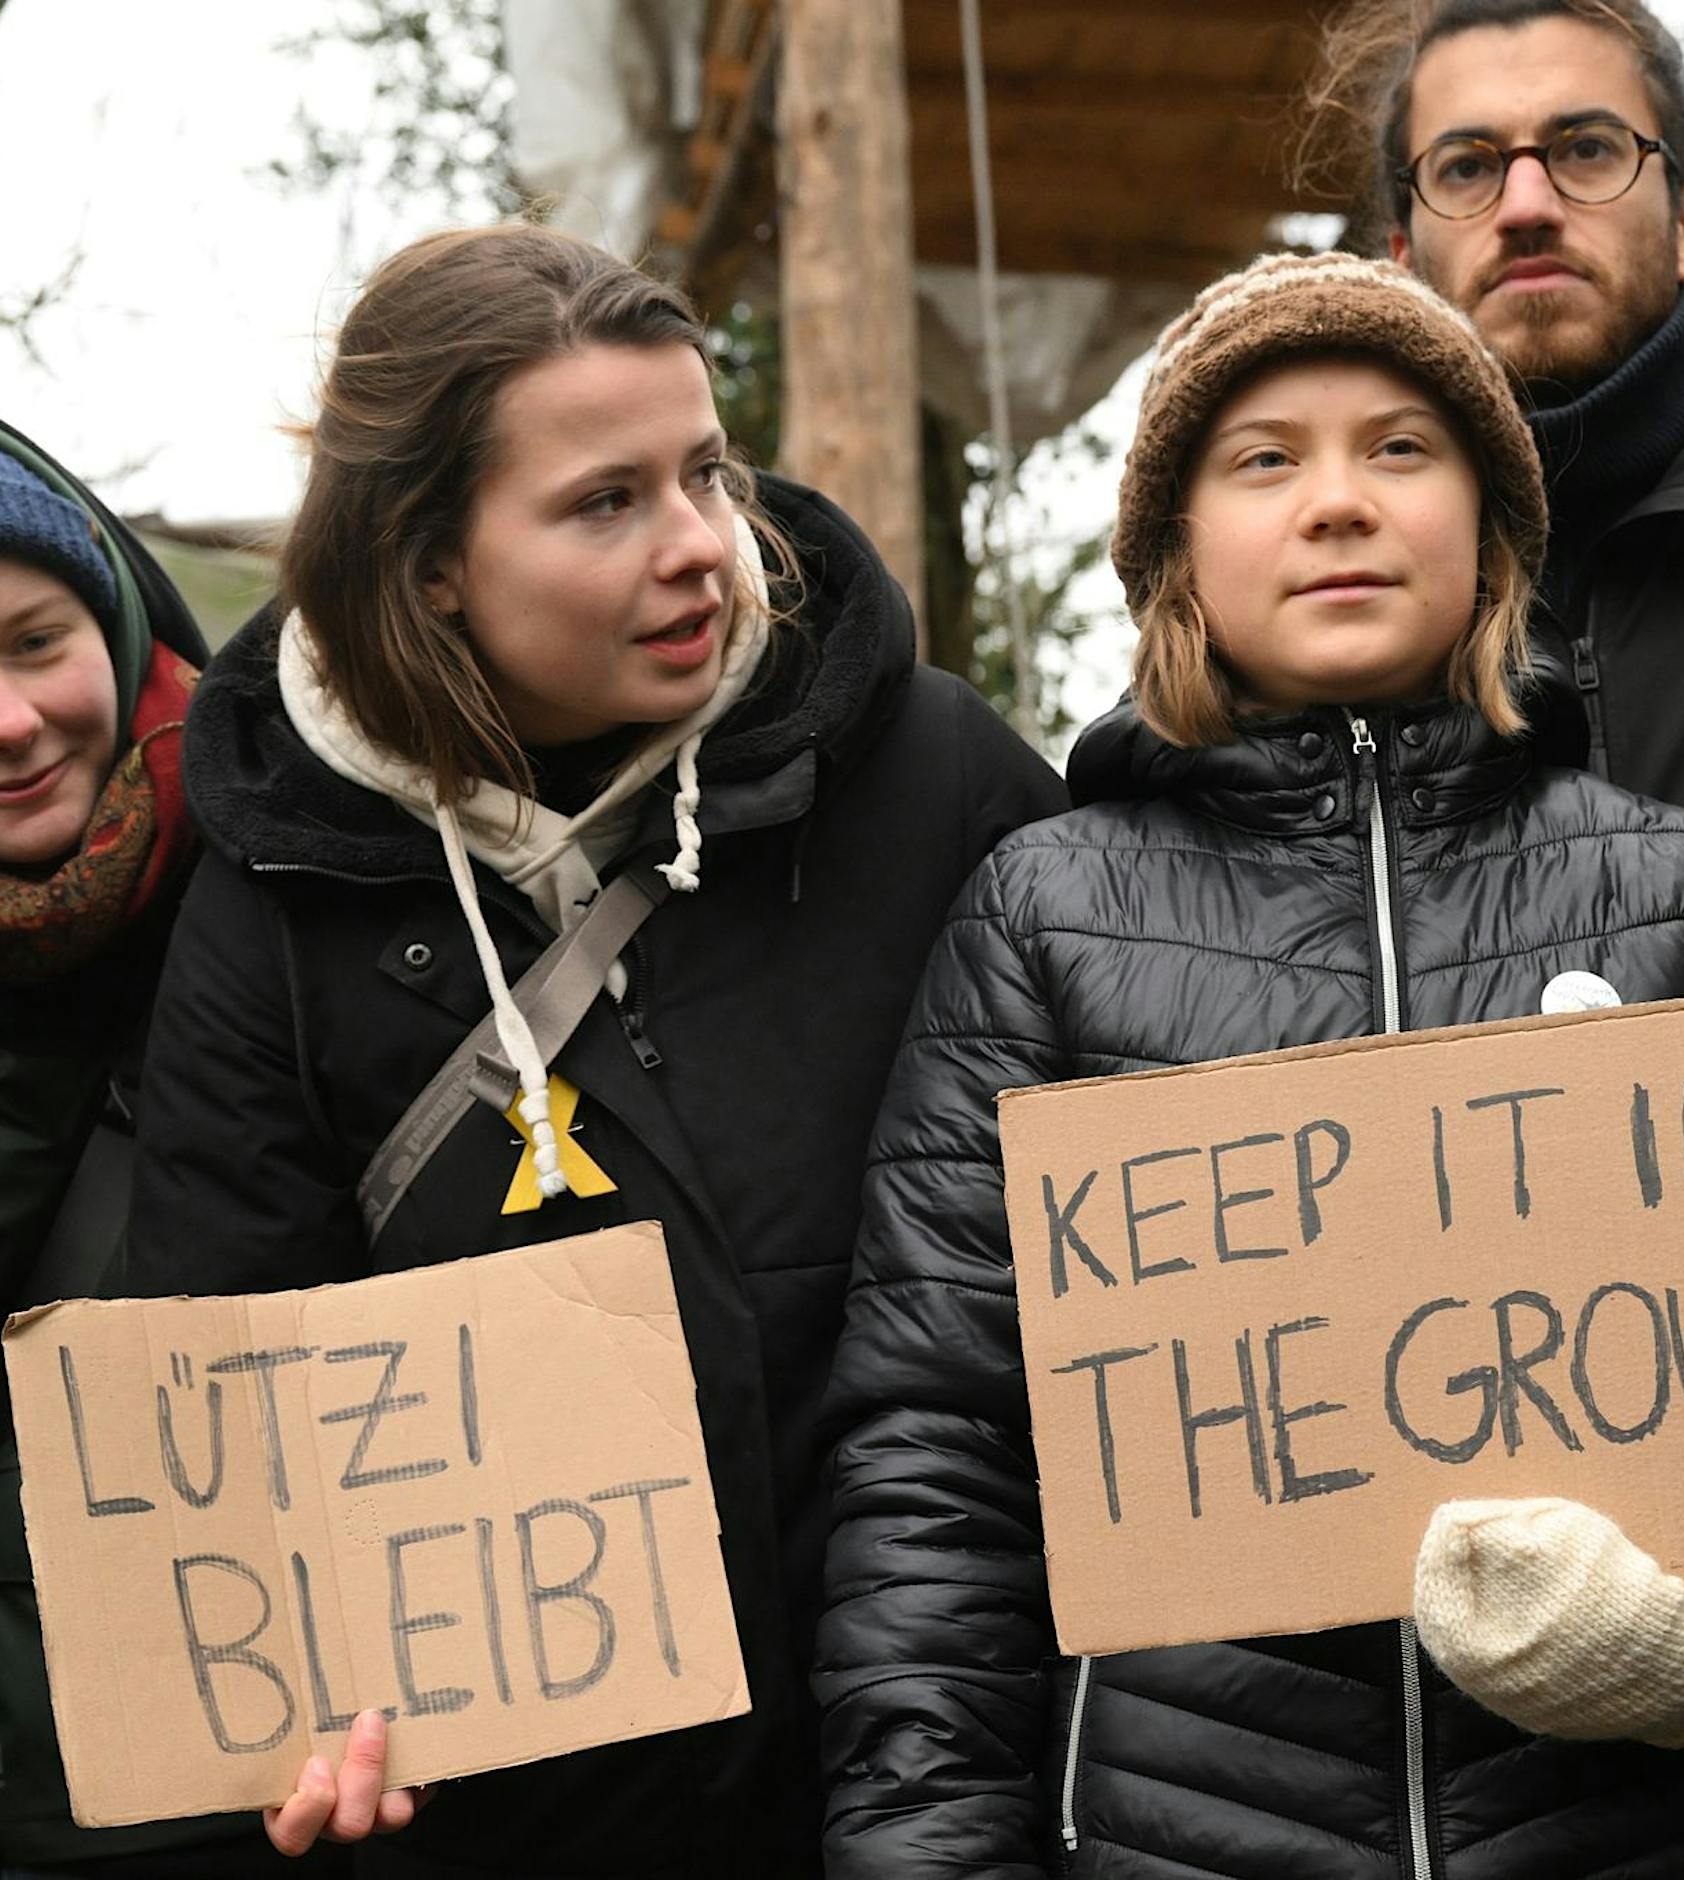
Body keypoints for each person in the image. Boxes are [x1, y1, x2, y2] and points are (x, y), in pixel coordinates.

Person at [816, 253, 1684, 1878]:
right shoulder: (1042, 913)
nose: (1338, 503)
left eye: (1400, 448)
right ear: (1173, 554)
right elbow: (935, 1446)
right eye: (1265, 459)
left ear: (1497, 530)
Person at [120, 223, 1065, 1876]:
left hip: (957, 1786)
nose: (701, 546)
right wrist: (287, 1721)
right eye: (603, 502)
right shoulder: (267, 904)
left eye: (706, 470)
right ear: (429, 562)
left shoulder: (941, 779)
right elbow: (220, 1406)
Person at [1303, 0, 1684, 965]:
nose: (1527, 206)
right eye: (1468, 167)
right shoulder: (1308, 605)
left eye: (1588, 149)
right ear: (1401, 263)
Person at [0, 428, 336, 1877]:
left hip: (277, 1787)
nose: (8, 723)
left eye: (33, 642)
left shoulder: (316, 879)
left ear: (120, 622)